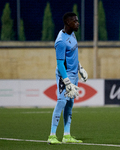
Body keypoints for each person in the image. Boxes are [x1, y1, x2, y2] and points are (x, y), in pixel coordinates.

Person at [47, 12, 88, 145]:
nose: (78, 23)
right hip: (64, 75)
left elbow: (72, 56)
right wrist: (67, 81)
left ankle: (67, 135)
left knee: (70, 104)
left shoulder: (72, 34)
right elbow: (60, 64)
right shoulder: (61, 41)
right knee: (62, 101)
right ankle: (52, 135)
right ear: (67, 23)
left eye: (77, 20)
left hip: (74, 74)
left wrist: (80, 68)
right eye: (75, 21)